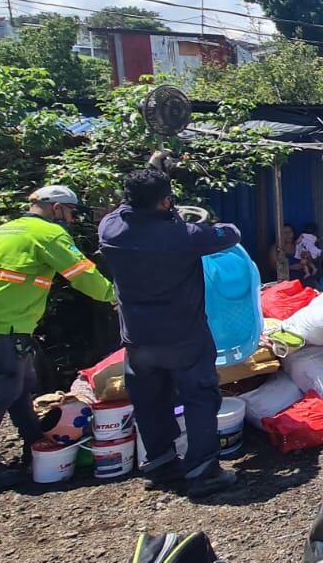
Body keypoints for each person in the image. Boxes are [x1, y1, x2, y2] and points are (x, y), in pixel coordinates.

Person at [0, 185, 116, 489]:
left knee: (18, 389)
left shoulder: (1, 232)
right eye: (69, 212)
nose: (69, 219)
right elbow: (82, 274)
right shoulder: (47, 234)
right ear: (57, 208)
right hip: (2, 326)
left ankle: (34, 443)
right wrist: (114, 295)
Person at [99, 169, 242, 497]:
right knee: (199, 398)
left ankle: (161, 465)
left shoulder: (110, 230)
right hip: (183, 337)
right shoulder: (183, 236)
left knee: (150, 402)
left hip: (137, 339)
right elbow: (229, 234)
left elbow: (125, 210)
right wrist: (179, 219)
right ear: (166, 201)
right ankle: (203, 469)